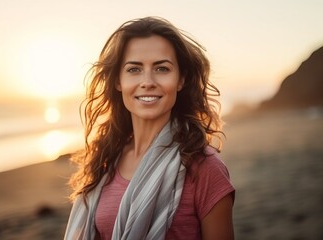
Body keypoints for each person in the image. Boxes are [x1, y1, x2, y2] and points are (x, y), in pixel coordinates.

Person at [64, 16, 235, 240]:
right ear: (118, 81)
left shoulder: (205, 169)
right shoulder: (104, 163)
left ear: (181, 79)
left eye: (162, 69)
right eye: (134, 70)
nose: (148, 81)